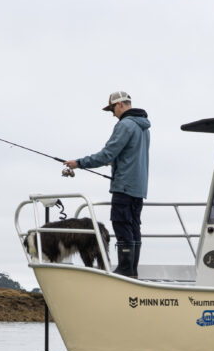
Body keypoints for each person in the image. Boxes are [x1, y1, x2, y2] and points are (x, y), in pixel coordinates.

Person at [63, 90, 151, 278]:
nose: (112, 114)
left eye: (112, 109)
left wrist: (78, 163)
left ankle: (126, 270)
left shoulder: (125, 125)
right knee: (134, 227)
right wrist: (116, 161)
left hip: (124, 186)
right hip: (139, 187)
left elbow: (107, 154)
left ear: (120, 105)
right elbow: (131, 154)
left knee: (121, 225)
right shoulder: (144, 127)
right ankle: (132, 270)